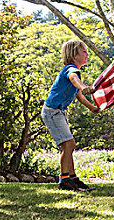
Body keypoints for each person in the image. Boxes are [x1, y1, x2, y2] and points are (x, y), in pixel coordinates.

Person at [41, 39, 99, 191]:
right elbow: (74, 80)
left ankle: (72, 178)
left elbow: (79, 95)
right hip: (52, 111)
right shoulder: (70, 69)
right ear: (74, 55)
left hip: (58, 111)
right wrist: (83, 86)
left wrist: (92, 108)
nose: (87, 54)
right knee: (68, 144)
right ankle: (64, 180)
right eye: (84, 51)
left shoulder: (75, 71)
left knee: (69, 145)